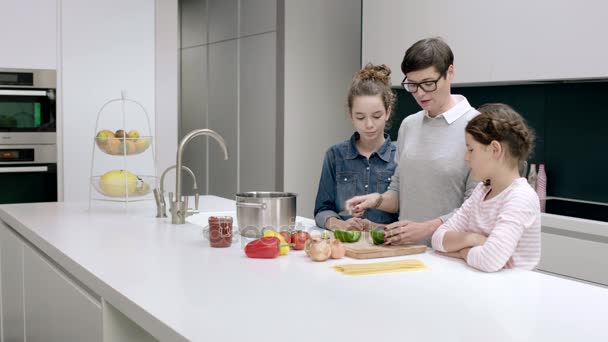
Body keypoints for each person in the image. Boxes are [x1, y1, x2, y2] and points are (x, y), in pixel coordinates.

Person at [346, 37, 478, 245]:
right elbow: (399, 192)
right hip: (404, 251)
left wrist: (425, 229)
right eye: (413, 85)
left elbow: (477, 208)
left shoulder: (477, 127)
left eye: (428, 83)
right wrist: (377, 200)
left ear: (450, 73)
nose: (420, 93)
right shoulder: (409, 125)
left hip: (450, 256)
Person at [431, 103, 541, 272]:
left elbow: (489, 260)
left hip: (514, 293)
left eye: (471, 150)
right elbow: (438, 238)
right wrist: (474, 239)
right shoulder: (481, 191)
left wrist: (461, 252)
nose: (466, 157)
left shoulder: (521, 197)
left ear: (495, 150)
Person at [314, 64, 399, 231]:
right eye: (360, 117)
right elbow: (322, 210)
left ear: (388, 112)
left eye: (376, 116)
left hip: (386, 249)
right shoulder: (335, 155)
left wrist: (375, 227)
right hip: (344, 249)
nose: (369, 125)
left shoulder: (401, 156)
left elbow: (406, 216)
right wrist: (339, 224)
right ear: (351, 116)